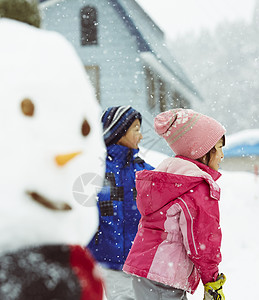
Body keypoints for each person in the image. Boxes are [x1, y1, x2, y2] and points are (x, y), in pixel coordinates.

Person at [123, 108, 227, 300]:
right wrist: (211, 280)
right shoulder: (197, 185)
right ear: (201, 150)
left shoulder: (169, 178)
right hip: (165, 274)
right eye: (219, 148)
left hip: (148, 270)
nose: (221, 155)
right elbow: (203, 240)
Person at [88, 105, 154, 300]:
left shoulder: (144, 172)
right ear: (118, 131)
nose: (141, 136)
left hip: (137, 262)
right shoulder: (95, 169)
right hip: (103, 260)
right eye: (136, 129)